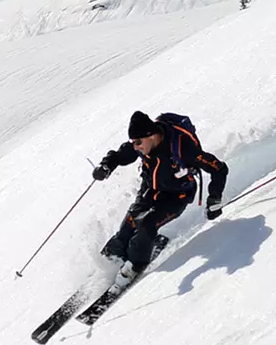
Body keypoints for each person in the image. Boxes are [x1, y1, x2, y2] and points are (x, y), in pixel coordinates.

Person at [92, 110, 229, 289]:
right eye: (133, 142)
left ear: (151, 135)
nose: (136, 146)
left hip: (177, 196)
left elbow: (218, 168)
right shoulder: (141, 145)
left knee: (147, 224)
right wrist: (106, 166)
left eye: (138, 142)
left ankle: (134, 266)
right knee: (129, 225)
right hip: (150, 189)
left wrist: (214, 199)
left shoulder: (183, 148)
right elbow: (121, 154)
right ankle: (113, 258)